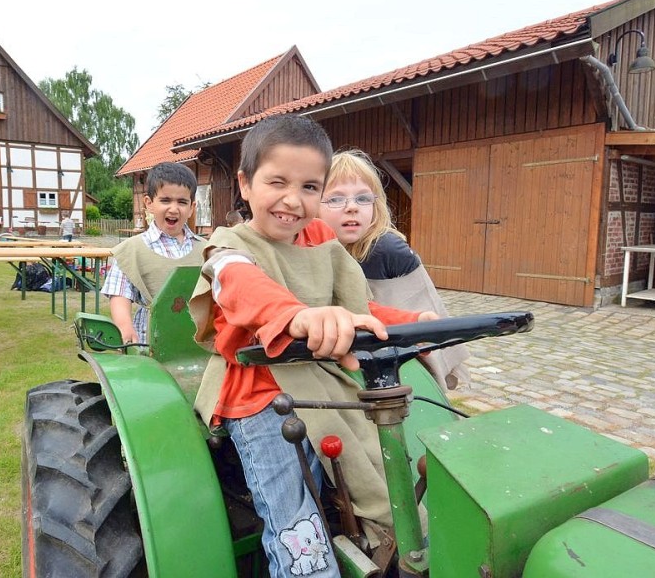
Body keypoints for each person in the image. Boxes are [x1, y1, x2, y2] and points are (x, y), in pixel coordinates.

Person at [189, 115, 438, 577]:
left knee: (395, 466)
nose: (292, 200)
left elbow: (357, 308)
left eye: (309, 187)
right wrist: (299, 315)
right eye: (276, 182)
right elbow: (243, 288)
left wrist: (415, 322)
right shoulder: (228, 249)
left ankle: (396, 541)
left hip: (327, 380)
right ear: (245, 184)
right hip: (262, 394)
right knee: (295, 519)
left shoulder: (323, 244)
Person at [318, 149, 470, 391]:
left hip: (400, 357)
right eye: (336, 199)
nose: (351, 207)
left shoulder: (386, 250)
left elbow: (420, 318)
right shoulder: (314, 252)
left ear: (375, 204)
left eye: (363, 198)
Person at [102, 162, 205, 344]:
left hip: (197, 339)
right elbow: (119, 294)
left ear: (192, 207)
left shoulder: (206, 249)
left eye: (182, 202)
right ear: (149, 203)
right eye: (165, 200)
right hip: (150, 340)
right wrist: (125, 326)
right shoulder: (132, 250)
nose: (174, 209)